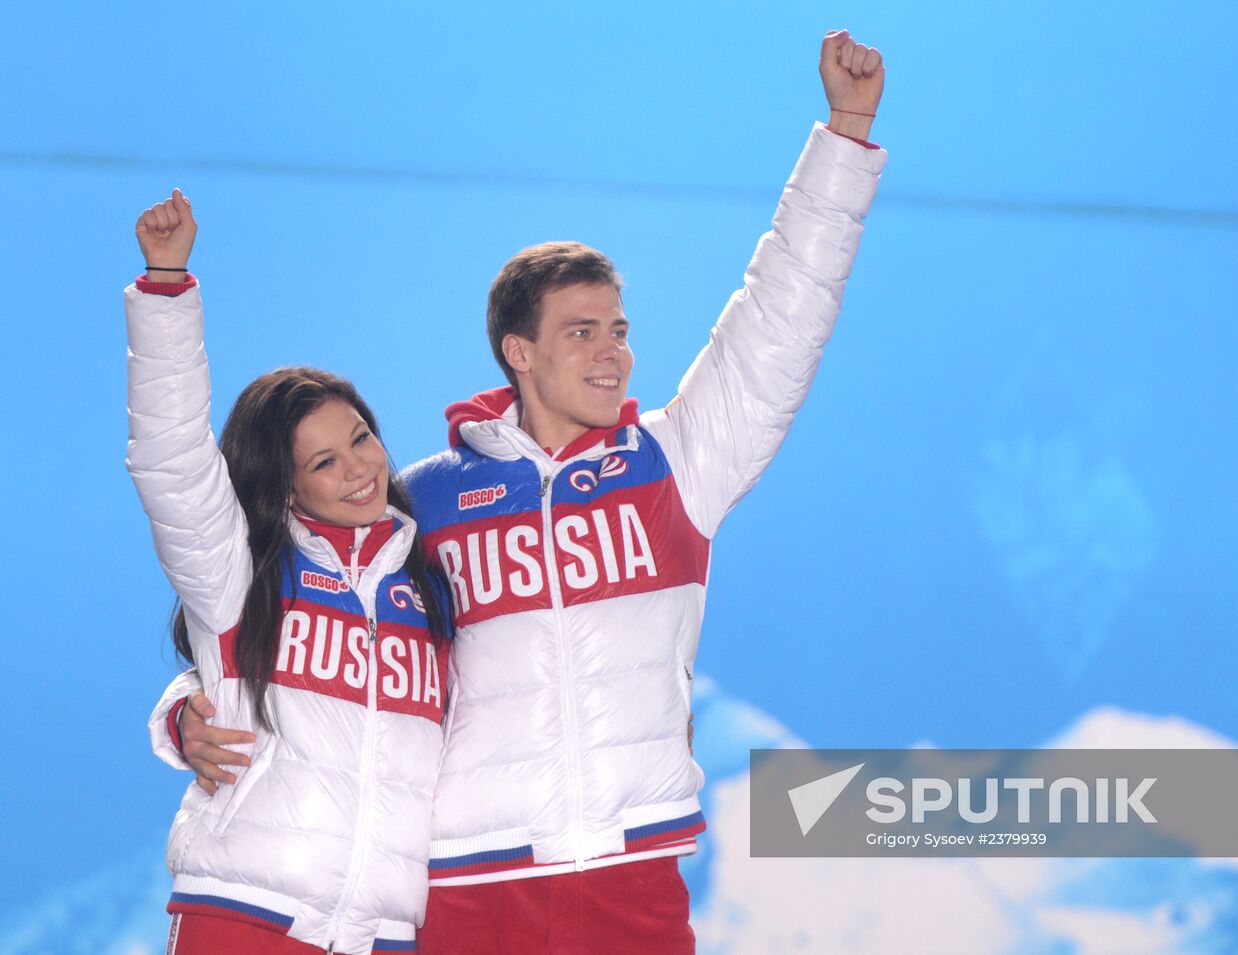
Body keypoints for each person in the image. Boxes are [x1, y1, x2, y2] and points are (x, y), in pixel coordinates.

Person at [161, 29, 886, 952]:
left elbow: (781, 321)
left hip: (632, 873)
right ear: (520, 351)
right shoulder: (419, 503)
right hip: (466, 883)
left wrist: (844, 137)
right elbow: (288, 614)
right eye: (582, 331)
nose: (612, 350)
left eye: (620, 328)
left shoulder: (676, 465)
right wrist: (188, 712)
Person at [127, 191, 451, 954]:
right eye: (324, 461)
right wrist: (166, 285)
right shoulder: (240, 575)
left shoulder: (432, 588)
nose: (359, 470)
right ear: (283, 485)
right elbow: (172, 464)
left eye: (362, 438)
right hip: (244, 917)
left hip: (381, 934)